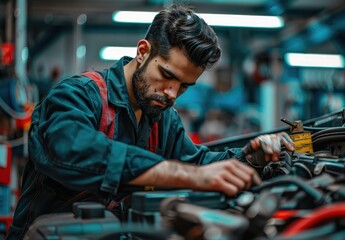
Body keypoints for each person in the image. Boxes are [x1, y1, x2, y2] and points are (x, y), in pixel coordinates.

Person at [6, 4, 295, 239]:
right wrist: (190, 176)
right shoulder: (79, 95)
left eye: (184, 86)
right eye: (168, 75)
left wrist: (248, 160)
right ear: (143, 52)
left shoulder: (161, 117)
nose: (172, 94)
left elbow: (196, 164)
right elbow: (72, 150)